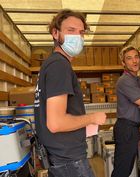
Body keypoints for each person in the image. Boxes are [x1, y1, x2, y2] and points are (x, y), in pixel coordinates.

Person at [34, 9, 107, 177]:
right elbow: (56, 123)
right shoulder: (59, 65)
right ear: (55, 33)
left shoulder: (52, 64)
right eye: (71, 30)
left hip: (62, 160)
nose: (77, 37)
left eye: (81, 32)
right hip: (69, 161)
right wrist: (92, 118)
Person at [111, 46, 140, 177]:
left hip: (133, 128)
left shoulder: (138, 80)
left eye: (136, 57)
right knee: (122, 171)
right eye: (129, 58)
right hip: (126, 129)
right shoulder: (125, 80)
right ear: (123, 63)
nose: (134, 61)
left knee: (126, 169)